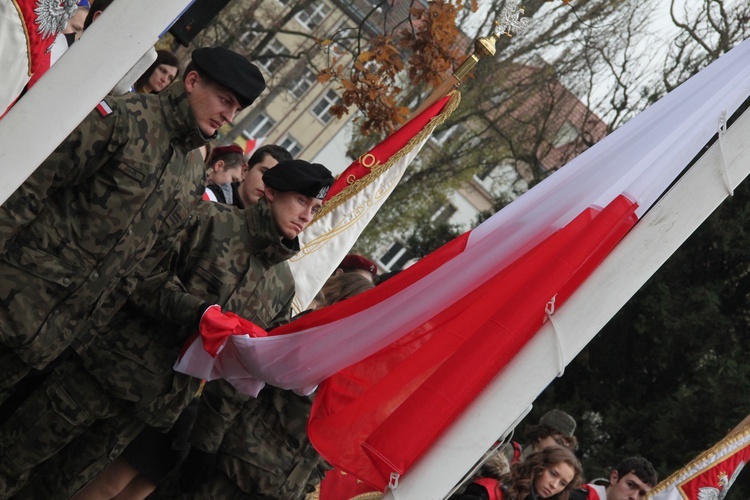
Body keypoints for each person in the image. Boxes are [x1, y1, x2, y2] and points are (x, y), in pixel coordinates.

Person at [0, 47, 266, 496]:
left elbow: (141, 267)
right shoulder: (124, 118)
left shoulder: (188, 171)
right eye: (224, 98)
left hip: (53, 341)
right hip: (13, 300)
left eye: (236, 108)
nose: (228, 113)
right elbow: (32, 188)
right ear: (191, 81)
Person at [6, 160, 334, 499]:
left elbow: (257, 364)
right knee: (13, 459)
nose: (308, 215)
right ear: (271, 191)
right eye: (301, 201)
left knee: (56, 490)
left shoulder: (281, 285)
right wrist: (199, 313)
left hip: (149, 408)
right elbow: (140, 275)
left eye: (316, 208)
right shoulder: (210, 221)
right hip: (98, 373)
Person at [176, 270, 375, 499]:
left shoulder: (358, 368)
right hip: (233, 469)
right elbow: (238, 385)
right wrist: (204, 447)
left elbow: (331, 443)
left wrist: (303, 486)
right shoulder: (307, 334)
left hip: (279, 490)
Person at [455, 446, 584, 500]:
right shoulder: (489, 490)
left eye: (563, 483)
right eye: (553, 474)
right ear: (539, 466)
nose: (554, 485)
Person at [569, 457, 657, 500]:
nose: (634, 497)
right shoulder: (572, 497)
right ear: (614, 478)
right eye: (630, 485)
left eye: (642, 494)